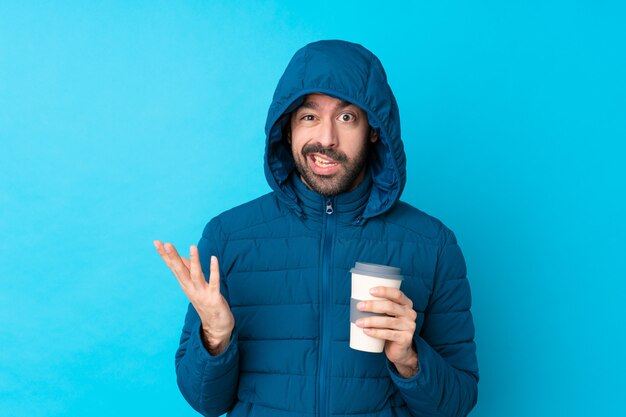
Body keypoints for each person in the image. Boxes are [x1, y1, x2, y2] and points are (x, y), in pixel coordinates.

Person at [154, 40, 478, 417]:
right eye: (309, 117)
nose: (326, 139)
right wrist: (215, 337)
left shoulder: (432, 245)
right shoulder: (229, 236)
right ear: (287, 128)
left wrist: (410, 359)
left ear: (374, 130)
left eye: (346, 118)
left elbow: (457, 404)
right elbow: (205, 402)